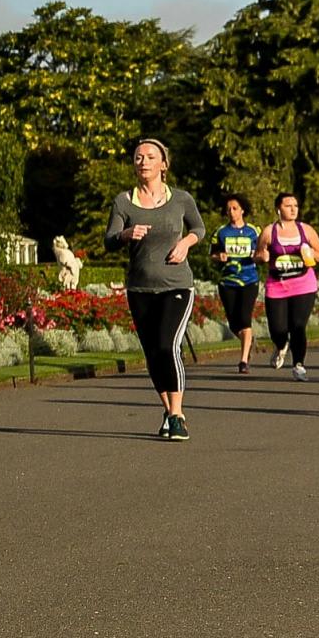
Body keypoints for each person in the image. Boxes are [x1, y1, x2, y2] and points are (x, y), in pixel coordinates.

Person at [103, 139, 204, 441]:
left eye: (150, 157)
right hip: (140, 288)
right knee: (152, 353)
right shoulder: (124, 201)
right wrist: (126, 234)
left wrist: (185, 243)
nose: (143, 162)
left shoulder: (181, 199)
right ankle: (168, 410)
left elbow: (198, 228)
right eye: (138, 157)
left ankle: (178, 414)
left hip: (177, 285)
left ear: (163, 164)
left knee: (167, 346)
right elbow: (109, 241)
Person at [259, 192, 319, 381]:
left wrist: (311, 253)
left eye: (295, 205)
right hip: (277, 285)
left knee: (298, 325)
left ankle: (298, 365)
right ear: (278, 209)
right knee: (277, 329)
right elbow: (258, 254)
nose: (293, 209)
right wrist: (262, 256)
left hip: (303, 284)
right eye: (288, 206)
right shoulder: (269, 232)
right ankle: (281, 345)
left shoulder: (306, 230)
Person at [209, 195, 261, 374]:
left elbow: (263, 253)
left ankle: (243, 361)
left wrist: (257, 256)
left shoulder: (254, 231)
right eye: (228, 209)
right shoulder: (220, 232)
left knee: (245, 318)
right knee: (233, 322)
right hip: (227, 281)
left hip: (249, 280)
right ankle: (248, 340)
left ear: (243, 210)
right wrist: (219, 256)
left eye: (235, 208)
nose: (231, 212)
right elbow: (212, 254)